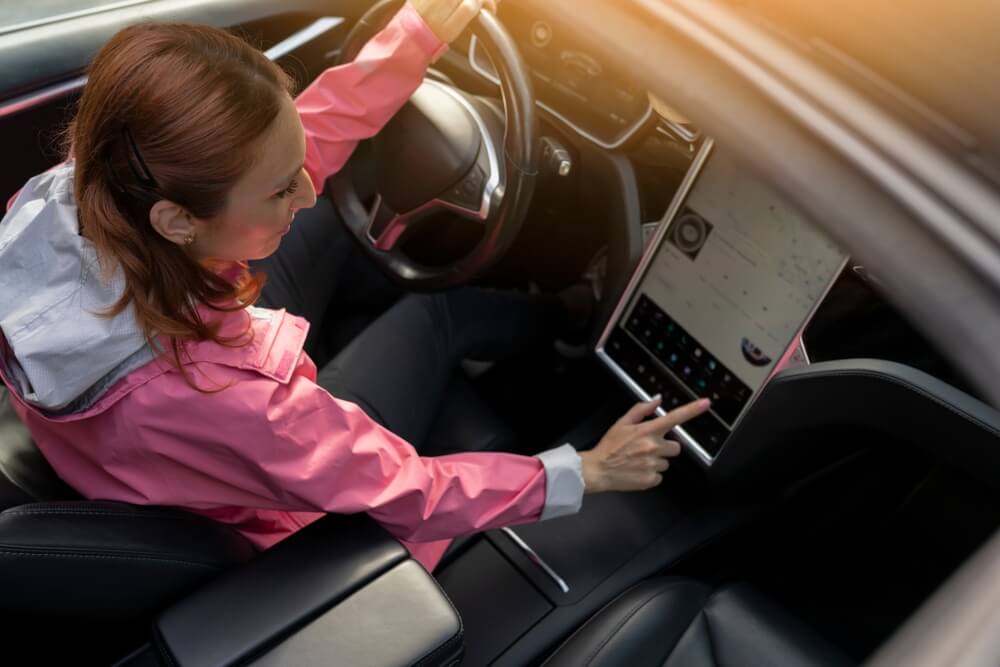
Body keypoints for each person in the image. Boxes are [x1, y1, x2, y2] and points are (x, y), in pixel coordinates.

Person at [0, 0, 709, 570]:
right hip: (283, 516)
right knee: (442, 315)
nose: (307, 190)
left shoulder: (64, 203)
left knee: (342, 233)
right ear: (179, 221)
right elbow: (413, 488)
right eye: (281, 190)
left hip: (141, 431)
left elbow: (305, 135)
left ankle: (571, 306)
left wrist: (421, 30)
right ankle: (580, 312)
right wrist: (584, 470)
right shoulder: (245, 406)